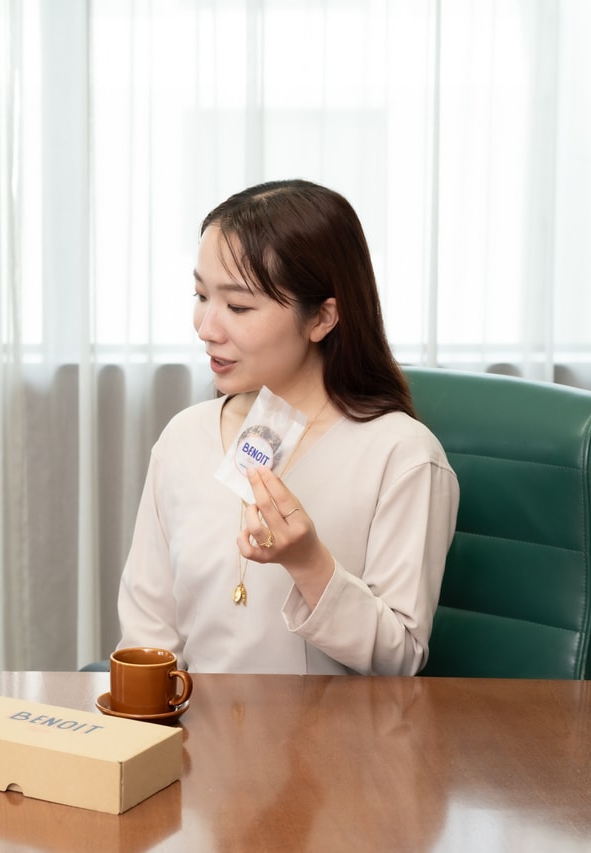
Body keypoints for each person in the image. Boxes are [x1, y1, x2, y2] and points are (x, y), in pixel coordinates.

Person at [116, 179, 459, 676]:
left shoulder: (402, 457)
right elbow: (148, 634)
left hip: (332, 749)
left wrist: (309, 563)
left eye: (237, 306)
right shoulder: (184, 439)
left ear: (321, 317)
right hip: (197, 740)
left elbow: (399, 660)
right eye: (200, 295)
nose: (206, 327)